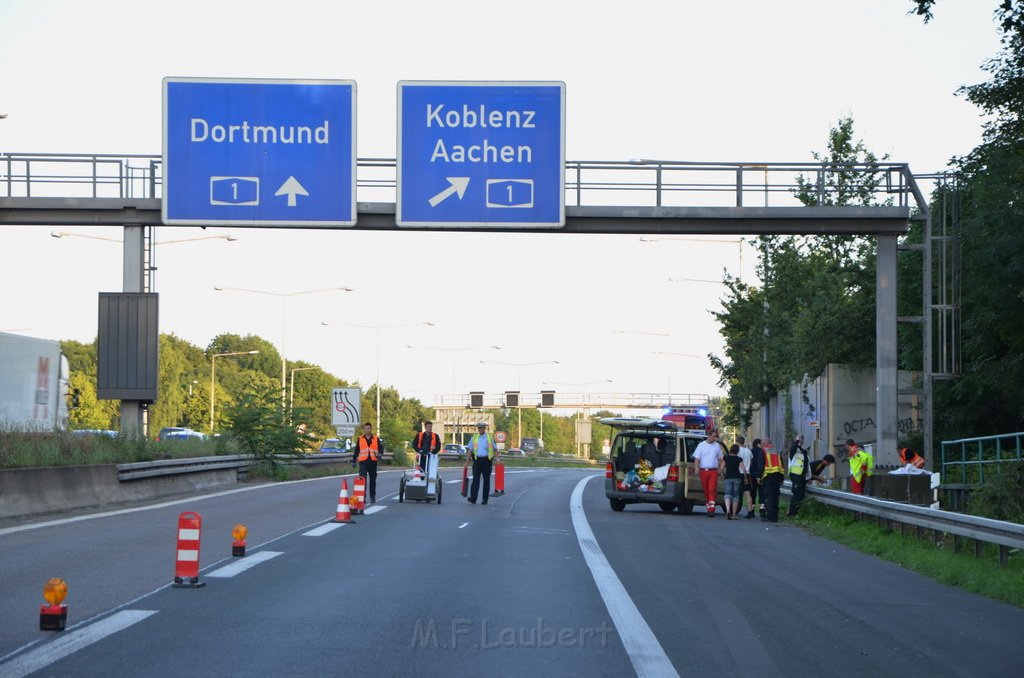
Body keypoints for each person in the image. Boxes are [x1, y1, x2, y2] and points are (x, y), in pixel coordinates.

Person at [691, 428, 724, 517]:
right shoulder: (701, 445)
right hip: (703, 470)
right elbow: (697, 458)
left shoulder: (717, 446)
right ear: (708, 436)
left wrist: (720, 469)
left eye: (715, 437)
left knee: (711, 489)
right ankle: (708, 505)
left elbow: (721, 458)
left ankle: (711, 509)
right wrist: (696, 468)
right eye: (713, 437)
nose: (714, 439)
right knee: (706, 490)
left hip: (713, 471)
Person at [465, 422, 498, 504]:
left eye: (481, 428)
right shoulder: (474, 437)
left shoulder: (489, 438)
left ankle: (485, 499)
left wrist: (497, 459)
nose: (479, 429)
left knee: (486, 480)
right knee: (475, 480)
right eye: (478, 428)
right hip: (477, 461)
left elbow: (495, 449)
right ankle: (473, 498)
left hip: (487, 461)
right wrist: (467, 461)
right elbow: (469, 449)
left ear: (484, 428)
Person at [356, 422, 383, 503]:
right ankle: (362, 498)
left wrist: (380, 454)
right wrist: (354, 461)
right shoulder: (360, 438)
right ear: (364, 429)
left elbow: (381, 448)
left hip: (372, 463)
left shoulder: (375, 438)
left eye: (369, 428)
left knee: (372, 480)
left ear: (371, 429)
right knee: (362, 480)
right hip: (363, 462)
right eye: (366, 428)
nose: (367, 430)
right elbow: (356, 450)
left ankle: (372, 496)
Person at [721, 443, 748, 520]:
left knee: (727, 494)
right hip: (737, 478)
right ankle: (734, 514)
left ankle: (728, 510)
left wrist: (723, 475)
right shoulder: (739, 459)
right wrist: (745, 478)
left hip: (728, 478)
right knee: (736, 496)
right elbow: (743, 469)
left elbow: (721, 468)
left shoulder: (726, 458)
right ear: (737, 451)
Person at [760, 444, 786, 523]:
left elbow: (761, 464)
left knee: (769, 497)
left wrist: (759, 476)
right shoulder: (776, 452)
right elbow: (782, 465)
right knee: (775, 496)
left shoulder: (764, 452)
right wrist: (782, 478)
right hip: (777, 476)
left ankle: (770, 516)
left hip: (768, 477)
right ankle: (775, 517)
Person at [786, 438, 810, 517]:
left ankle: (796, 511)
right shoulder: (794, 451)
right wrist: (796, 441)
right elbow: (793, 448)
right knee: (796, 493)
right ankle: (792, 512)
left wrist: (808, 477)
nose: (801, 442)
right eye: (800, 441)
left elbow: (806, 465)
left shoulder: (804, 452)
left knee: (800, 494)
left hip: (801, 475)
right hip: (796, 475)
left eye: (801, 441)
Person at [736, 435, 754, 518]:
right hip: (747, 473)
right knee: (747, 493)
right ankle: (750, 511)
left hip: (739, 473)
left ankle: (734, 510)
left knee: (736, 493)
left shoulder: (737, 451)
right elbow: (751, 461)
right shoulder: (749, 451)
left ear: (737, 442)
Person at [749, 438, 766, 518]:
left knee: (753, 493)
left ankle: (752, 510)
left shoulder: (751, 451)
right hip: (759, 475)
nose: (762, 444)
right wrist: (759, 475)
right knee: (761, 492)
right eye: (761, 443)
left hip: (751, 475)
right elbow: (761, 463)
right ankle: (762, 510)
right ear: (758, 444)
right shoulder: (761, 451)